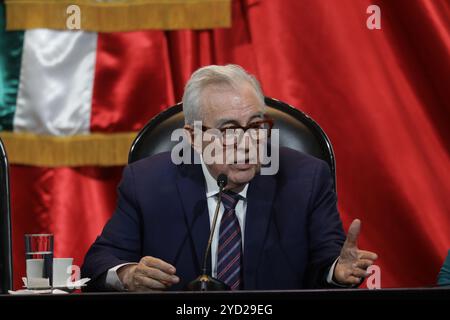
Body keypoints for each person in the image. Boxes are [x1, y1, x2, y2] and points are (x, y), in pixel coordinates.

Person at [81, 64, 378, 291]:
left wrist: (338, 270)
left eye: (255, 126)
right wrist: (129, 274)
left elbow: (327, 261)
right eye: (228, 130)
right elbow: (100, 262)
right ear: (194, 137)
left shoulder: (306, 178)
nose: (247, 142)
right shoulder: (146, 182)